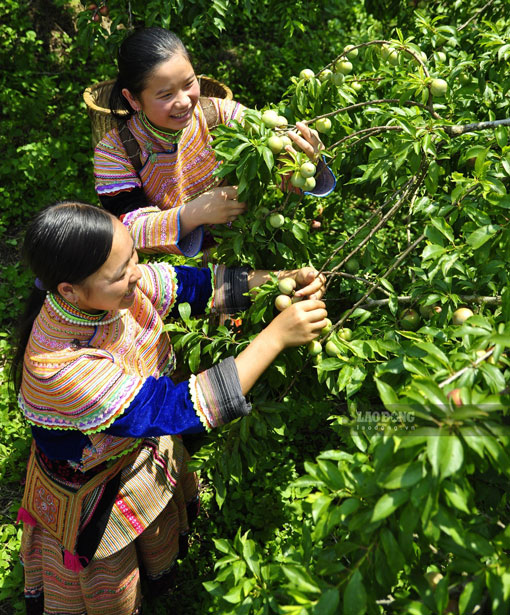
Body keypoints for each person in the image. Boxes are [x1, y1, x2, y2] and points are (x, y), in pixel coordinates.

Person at [12, 201, 327, 615]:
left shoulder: (115, 289)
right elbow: (175, 409)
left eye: (134, 258)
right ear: (68, 290)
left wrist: (279, 282)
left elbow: (193, 286)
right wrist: (274, 339)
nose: (137, 275)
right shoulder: (60, 367)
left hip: (126, 451)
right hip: (90, 481)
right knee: (107, 579)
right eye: (120, 273)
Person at [93, 27, 335, 257]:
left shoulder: (217, 114)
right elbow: (127, 230)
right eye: (166, 95)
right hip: (172, 276)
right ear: (133, 99)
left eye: (189, 84)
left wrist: (303, 158)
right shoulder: (115, 152)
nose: (184, 102)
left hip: (244, 244)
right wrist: (192, 214)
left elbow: (278, 153)